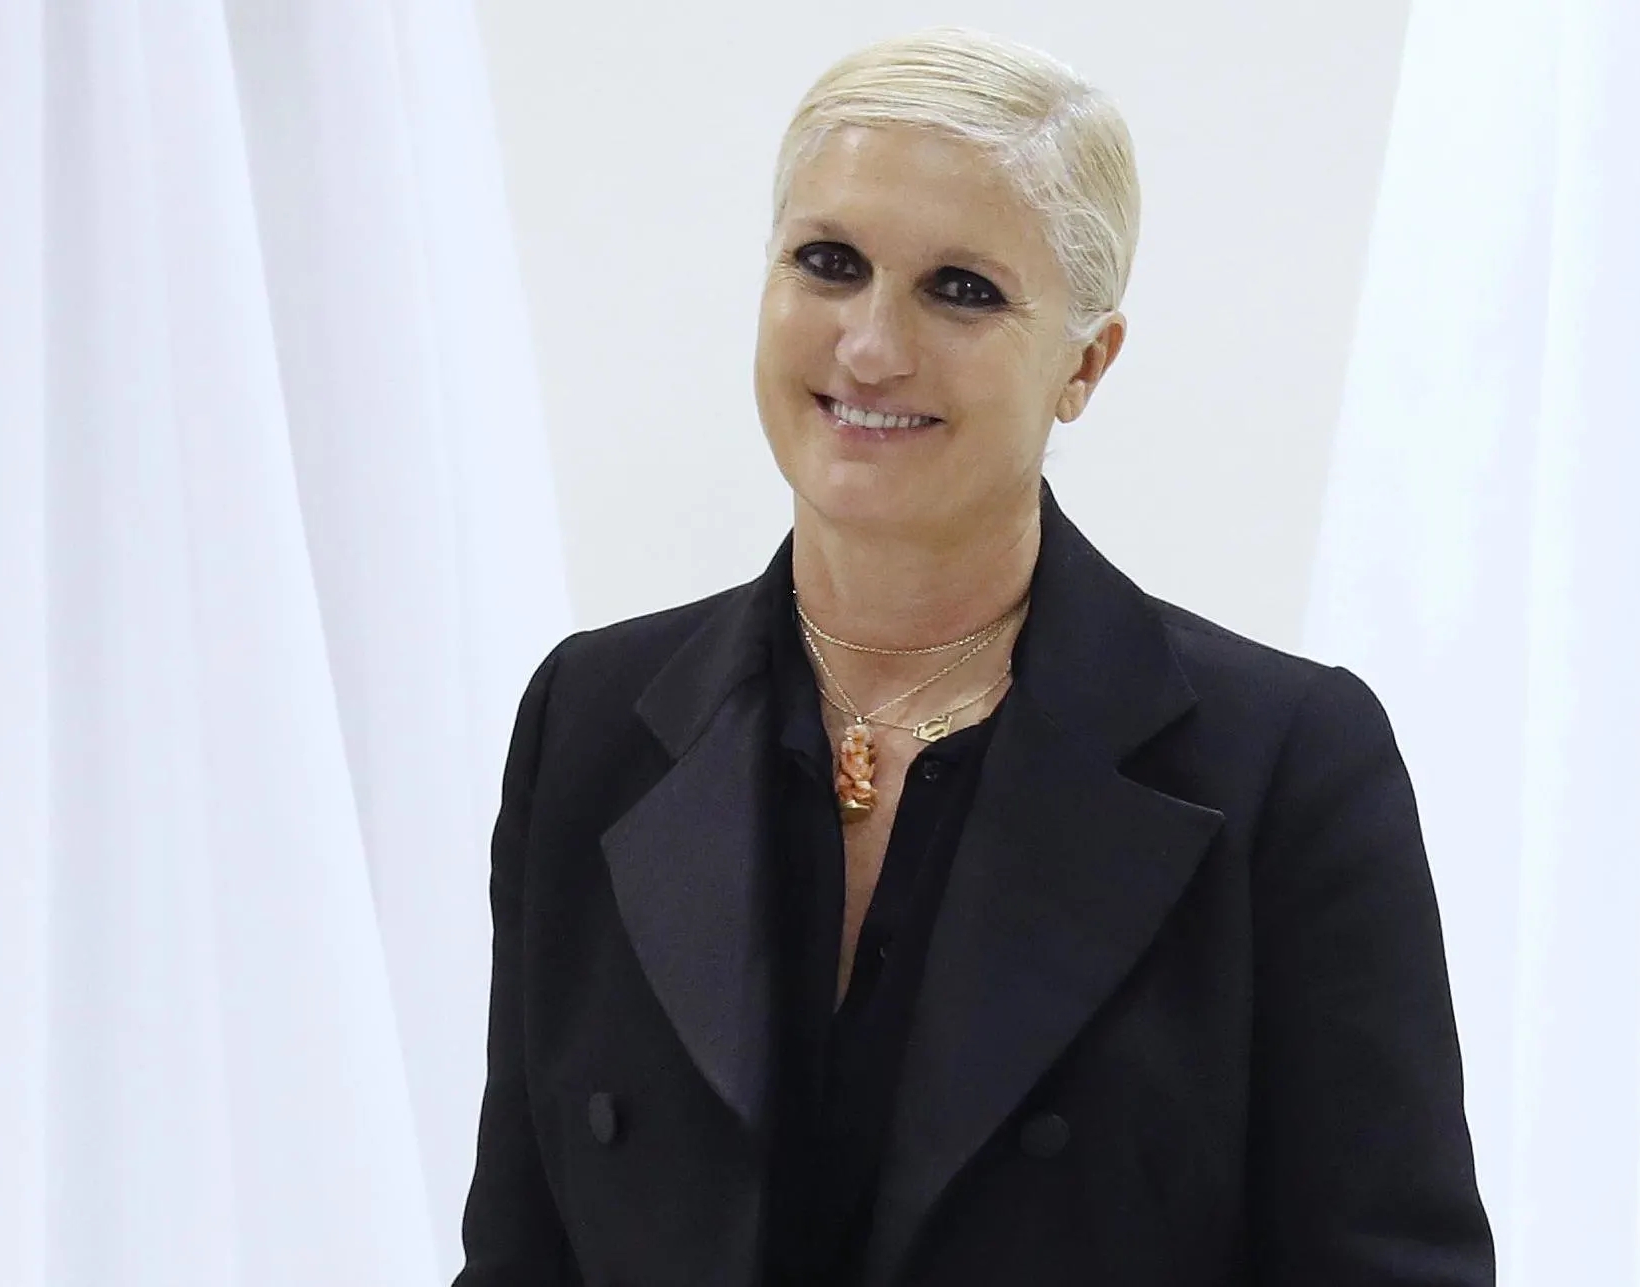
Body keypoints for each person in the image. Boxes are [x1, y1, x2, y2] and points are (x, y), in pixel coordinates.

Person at [454, 26, 1493, 1287]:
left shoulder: (1281, 769)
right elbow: (517, 1257)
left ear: (1084, 364)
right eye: (828, 263)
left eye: (960, 289)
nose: (869, 346)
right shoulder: (589, 721)